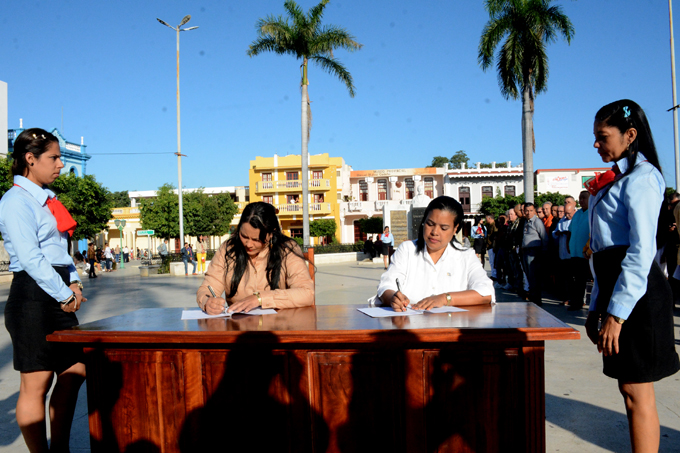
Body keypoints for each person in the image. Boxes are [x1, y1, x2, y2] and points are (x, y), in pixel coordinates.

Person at [585, 100, 679, 452]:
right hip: (616, 290)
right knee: (629, 388)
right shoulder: (616, 180)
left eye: (602, 136)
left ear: (630, 135)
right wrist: (596, 305)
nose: (596, 144)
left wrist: (616, 314)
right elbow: (602, 255)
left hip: (637, 298)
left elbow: (640, 252)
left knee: (638, 391)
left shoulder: (642, 178)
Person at [0, 128, 87, 452]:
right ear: (30, 159)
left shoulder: (48, 200)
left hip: (57, 287)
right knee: (36, 383)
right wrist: (64, 293)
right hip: (32, 296)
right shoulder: (15, 201)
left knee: (74, 370)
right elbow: (31, 257)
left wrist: (74, 282)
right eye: (53, 157)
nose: (60, 165)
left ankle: (59, 448)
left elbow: (59, 251)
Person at [376, 196, 494, 311]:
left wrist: (445, 298)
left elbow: (486, 292)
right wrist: (393, 298)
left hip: (452, 328)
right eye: (430, 224)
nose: (434, 232)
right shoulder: (407, 250)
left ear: (455, 229)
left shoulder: (466, 256)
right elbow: (386, 286)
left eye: (443, 228)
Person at [197, 202, 314, 314]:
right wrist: (207, 302)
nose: (248, 244)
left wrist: (260, 299)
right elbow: (207, 287)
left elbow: (306, 293)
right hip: (239, 327)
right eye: (244, 236)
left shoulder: (287, 250)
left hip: (279, 327)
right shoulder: (228, 250)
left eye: (256, 240)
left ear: (271, 234)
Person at [567, 190, 591, 311]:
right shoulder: (577, 214)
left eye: (584, 198)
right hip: (574, 252)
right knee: (574, 279)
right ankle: (574, 300)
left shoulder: (592, 212)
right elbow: (570, 231)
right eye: (580, 198)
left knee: (581, 280)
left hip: (585, 254)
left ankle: (578, 303)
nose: (581, 201)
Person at [521, 203, 548, 306]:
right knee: (529, 275)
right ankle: (533, 296)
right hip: (526, 251)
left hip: (534, 252)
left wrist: (543, 252)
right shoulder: (526, 222)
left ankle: (536, 299)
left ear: (534, 211)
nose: (528, 213)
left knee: (534, 276)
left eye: (531, 210)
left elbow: (544, 237)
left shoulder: (537, 222)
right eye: (526, 211)